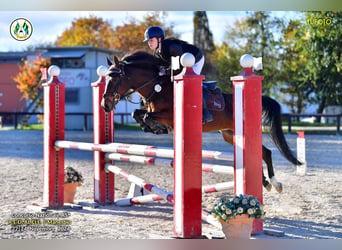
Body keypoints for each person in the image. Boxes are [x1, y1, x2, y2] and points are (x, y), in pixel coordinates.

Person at [143, 25, 213, 124]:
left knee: (192, 82)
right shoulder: (157, 52)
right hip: (183, 63)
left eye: (151, 40)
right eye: (148, 41)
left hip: (196, 59)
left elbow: (177, 69)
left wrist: (165, 72)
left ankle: (206, 113)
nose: (149, 43)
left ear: (159, 39)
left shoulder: (172, 48)